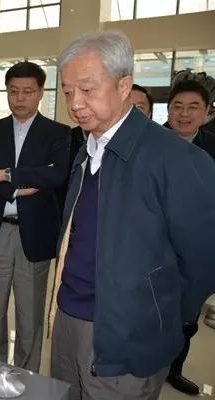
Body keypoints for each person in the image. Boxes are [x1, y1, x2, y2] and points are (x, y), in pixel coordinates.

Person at [49, 31, 215, 400]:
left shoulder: (176, 159)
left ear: (124, 86)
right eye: (67, 91)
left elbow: (203, 260)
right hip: (69, 317)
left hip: (127, 336)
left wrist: (157, 314)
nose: (75, 103)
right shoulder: (87, 150)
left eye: (87, 89)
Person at [0, 61, 71, 372]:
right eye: (13, 91)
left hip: (35, 233)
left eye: (27, 91)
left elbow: (56, 175)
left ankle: (28, 376)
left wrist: (4, 175)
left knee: (30, 315)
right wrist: (18, 189)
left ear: (40, 93)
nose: (20, 98)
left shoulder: (58, 133)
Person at [164, 78, 215, 395]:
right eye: (177, 107)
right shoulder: (149, 143)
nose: (184, 114)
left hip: (196, 252)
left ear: (207, 112)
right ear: (168, 110)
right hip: (157, 249)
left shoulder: (212, 148)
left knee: (187, 319)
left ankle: (174, 370)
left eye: (193, 107)